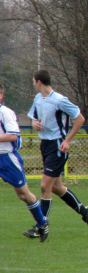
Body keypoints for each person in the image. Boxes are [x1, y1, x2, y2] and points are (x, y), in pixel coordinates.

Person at [23, 69, 88, 239]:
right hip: (45, 145)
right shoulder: (38, 99)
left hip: (57, 146)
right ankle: (86, 212)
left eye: (34, 81)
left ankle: (41, 225)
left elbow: (80, 118)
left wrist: (67, 140)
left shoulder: (60, 100)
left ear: (39, 81)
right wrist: (35, 124)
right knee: (56, 187)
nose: (33, 84)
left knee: (45, 186)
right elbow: (34, 117)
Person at [0, 82, 49, 242]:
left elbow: (13, 135)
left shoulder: (6, 113)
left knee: (23, 194)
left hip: (7, 158)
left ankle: (42, 222)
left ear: (1, 96)